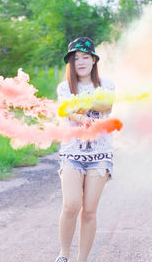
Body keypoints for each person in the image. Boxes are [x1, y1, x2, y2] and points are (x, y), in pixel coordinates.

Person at [54, 37, 115, 262]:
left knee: (89, 211)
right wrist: (80, 115)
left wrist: (82, 104)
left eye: (85, 57)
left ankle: (82, 260)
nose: (80, 61)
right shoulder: (64, 87)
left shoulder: (106, 85)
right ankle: (63, 255)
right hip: (72, 153)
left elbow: (106, 105)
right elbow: (66, 110)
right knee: (71, 204)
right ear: (70, 63)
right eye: (75, 58)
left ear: (93, 60)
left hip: (100, 155)